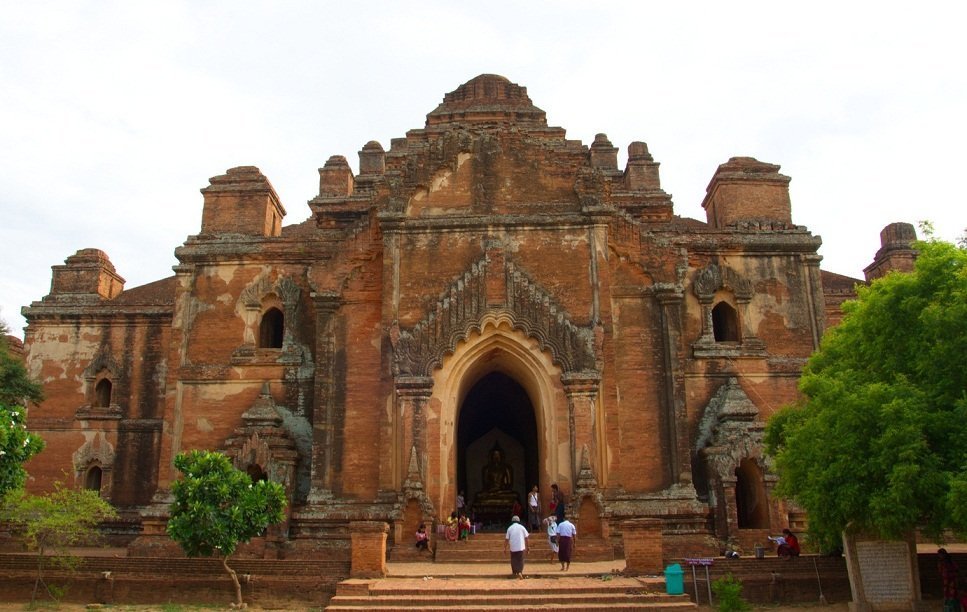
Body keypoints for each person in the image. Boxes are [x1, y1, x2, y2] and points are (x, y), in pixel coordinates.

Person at [503, 515, 529, 579]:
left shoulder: (510, 528)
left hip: (513, 547)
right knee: (520, 560)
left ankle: (514, 572)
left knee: (513, 560)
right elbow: (526, 538)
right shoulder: (522, 527)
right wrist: (528, 547)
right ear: (519, 521)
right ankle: (520, 572)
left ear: (512, 521)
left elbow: (506, 539)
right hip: (520, 547)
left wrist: (505, 548)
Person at [938, 548, 959, 612]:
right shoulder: (942, 562)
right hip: (947, 580)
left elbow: (956, 569)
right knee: (948, 595)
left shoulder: (948, 562)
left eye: (940, 555)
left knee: (951, 595)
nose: (939, 556)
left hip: (951, 580)